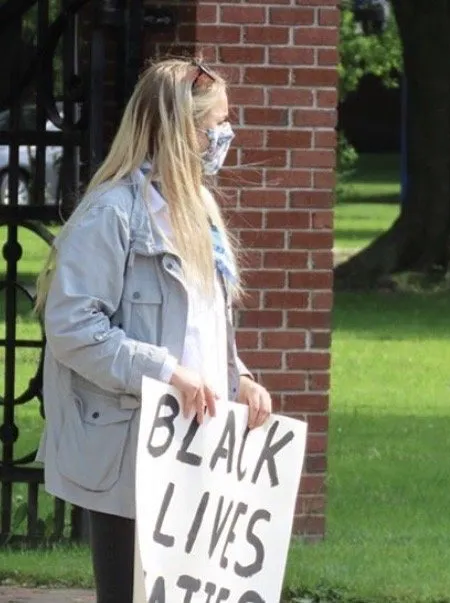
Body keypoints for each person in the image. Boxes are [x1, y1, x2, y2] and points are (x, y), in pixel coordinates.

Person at [34, 58, 273, 603]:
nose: (226, 136)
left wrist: (241, 381)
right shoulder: (112, 214)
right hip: (131, 455)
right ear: (184, 131)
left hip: (196, 447)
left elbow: (203, 329)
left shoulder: (200, 214)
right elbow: (72, 326)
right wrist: (166, 372)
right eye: (219, 124)